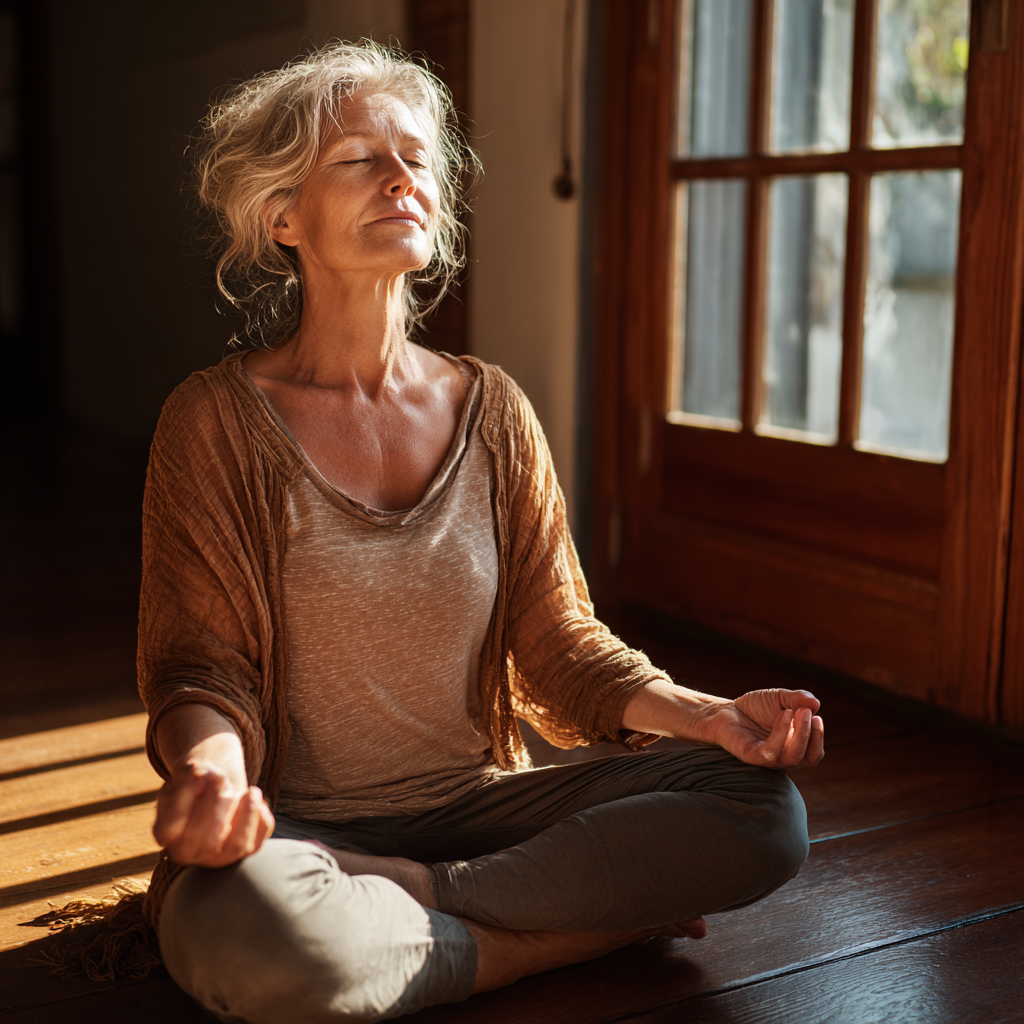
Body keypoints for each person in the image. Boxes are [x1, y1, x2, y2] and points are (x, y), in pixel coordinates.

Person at [139, 40, 825, 1023]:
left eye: (416, 158)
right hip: (300, 831)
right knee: (249, 939)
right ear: (282, 215)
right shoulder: (211, 422)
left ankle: (421, 901)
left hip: (482, 813)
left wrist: (706, 714)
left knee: (764, 815)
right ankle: (577, 930)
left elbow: (556, 641)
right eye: (359, 159)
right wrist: (210, 770)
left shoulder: (493, 408)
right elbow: (199, 666)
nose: (400, 177)